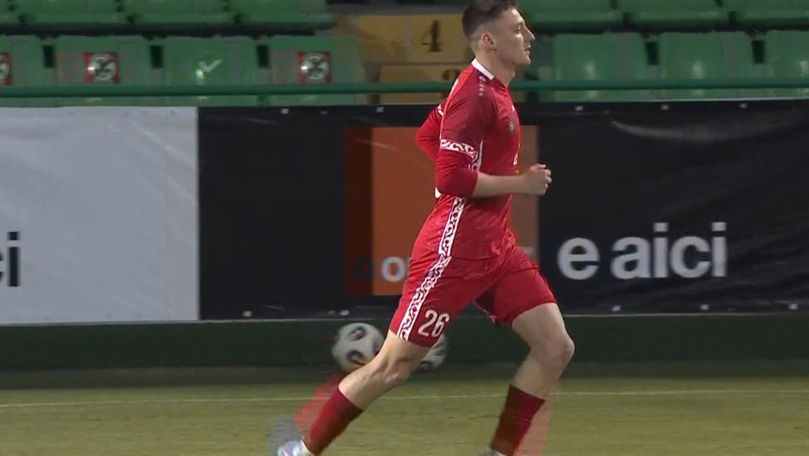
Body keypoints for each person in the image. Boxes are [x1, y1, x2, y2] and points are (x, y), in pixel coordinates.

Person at [278, 1, 574, 454]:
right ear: (488, 40)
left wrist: (469, 186)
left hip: (495, 247)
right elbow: (451, 178)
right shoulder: (474, 96)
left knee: (555, 347)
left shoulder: (487, 89)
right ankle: (299, 451)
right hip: (454, 250)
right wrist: (518, 183)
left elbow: (427, 137)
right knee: (392, 368)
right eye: (518, 29)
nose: (529, 36)